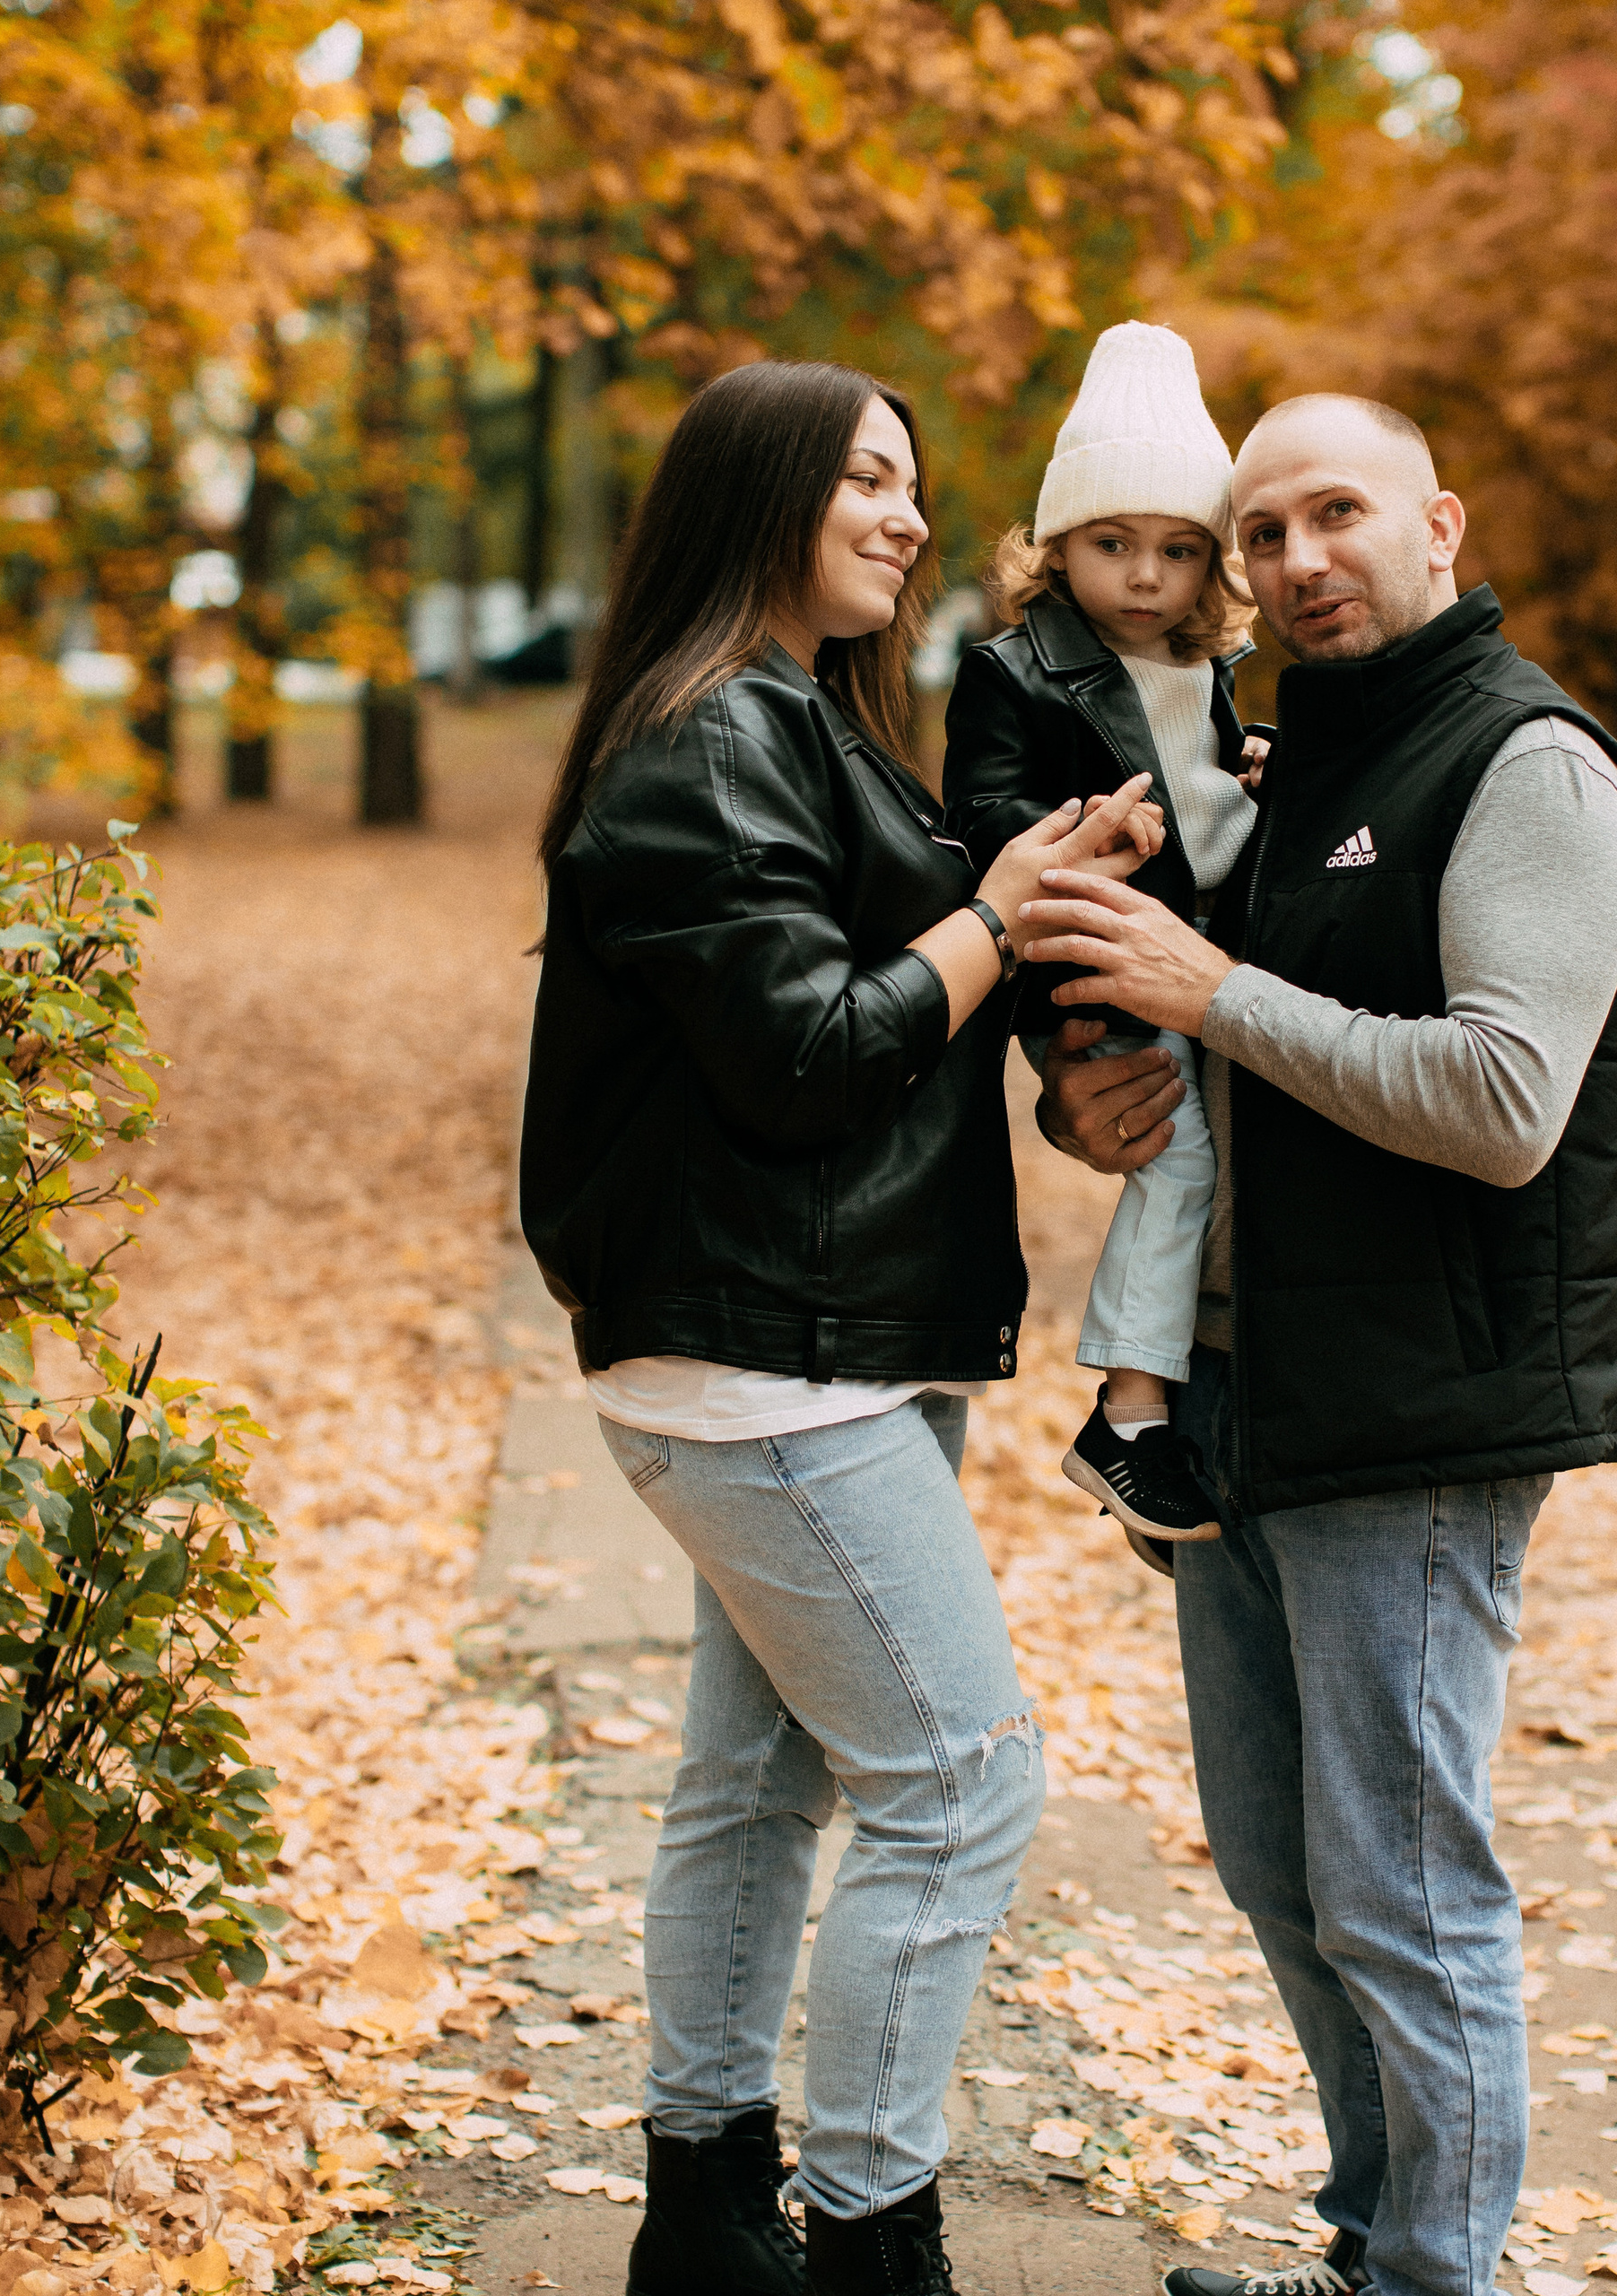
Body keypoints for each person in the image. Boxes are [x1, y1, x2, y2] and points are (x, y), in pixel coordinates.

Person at [518, 360, 1159, 2296]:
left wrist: (1037, 1002)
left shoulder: (800, 723)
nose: (900, 514)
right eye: (862, 480)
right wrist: (1000, 904)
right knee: (962, 1781)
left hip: (812, 1336)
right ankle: (871, 2235)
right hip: (761, 1360)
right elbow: (807, 1052)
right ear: (761, 494)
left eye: (911, 482)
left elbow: (884, 1012)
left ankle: (705, 2205)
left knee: (759, 1778)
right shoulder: (709, 741)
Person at [1017, 395, 1617, 2296]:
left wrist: (1213, 988)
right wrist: (1096, 1094)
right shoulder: (1284, 769)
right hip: (1245, 1392)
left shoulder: (1527, 762)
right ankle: (1378, 2238)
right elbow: (1211, 1056)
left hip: (1419, 1404)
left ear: (1438, 523)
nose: (1296, 559)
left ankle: (1429, 2275)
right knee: (1281, 1867)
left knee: (1400, 1883)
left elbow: (1496, 1099)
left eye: (1335, 513)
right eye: (1261, 533)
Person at [943, 322, 1265, 1560]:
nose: (1145, 577)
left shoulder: (1211, 671)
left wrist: (1261, 777)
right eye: (1113, 544)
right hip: (1100, 955)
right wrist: (1081, 834)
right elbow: (981, 821)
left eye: (1180, 551)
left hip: (1204, 957)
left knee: (1216, 1163)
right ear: (1056, 545)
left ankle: (1169, 1393)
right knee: (1179, 1163)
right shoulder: (1016, 671)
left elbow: (1216, 807)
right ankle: (1128, 1411)